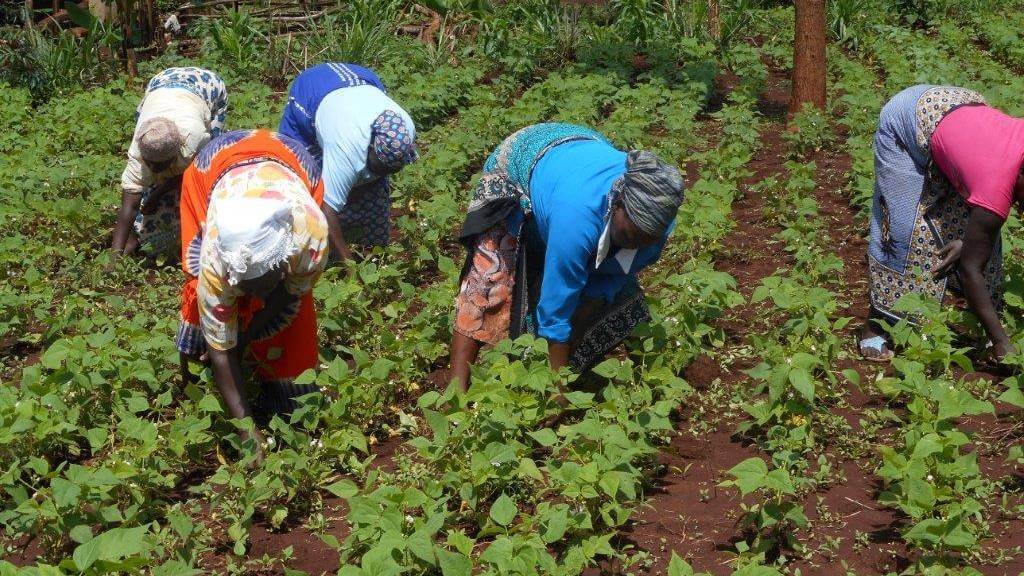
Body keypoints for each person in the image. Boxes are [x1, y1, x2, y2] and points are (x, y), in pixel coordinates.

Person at [449, 123, 685, 392]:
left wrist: (588, 308)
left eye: (647, 241)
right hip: (523, 159)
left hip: (578, 159)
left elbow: (618, 275)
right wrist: (559, 391)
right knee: (489, 282)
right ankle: (455, 395)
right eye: (631, 237)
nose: (637, 246)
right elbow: (556, 309)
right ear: (617, 203)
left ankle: (556, 367)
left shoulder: (655, 225)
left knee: (601, 301)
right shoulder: (577, 219)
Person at [176, 129, 328, 459]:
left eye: (261, 282)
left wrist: (244, 338)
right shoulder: (215, 261)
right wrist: (247, 430)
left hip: (287, 158)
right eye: (243, 284)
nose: (253, 292)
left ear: (285, 259)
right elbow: (220, 351)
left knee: (295, 317)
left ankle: (283, 386)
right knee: (199, 293)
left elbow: (289, 294)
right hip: (212, 170)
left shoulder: (310, 237)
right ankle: (188, 379)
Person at [861, 85, 1024, 362]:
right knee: (903, 234)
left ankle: (988, 331)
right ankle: (875, 327)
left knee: (986, 245)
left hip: (962, 111)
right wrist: (1003, 344)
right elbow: (970, 269)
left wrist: (967, 242)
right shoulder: (995, 185)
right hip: (909, 119)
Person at [278, 63, 417, 262]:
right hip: (312, 91)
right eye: (380, 166)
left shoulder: (405, 130)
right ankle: (312, 252)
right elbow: (326, 208)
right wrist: (349, 264)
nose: (384, 172)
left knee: (374, 191)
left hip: (363, 80)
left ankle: (373, 254)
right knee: (306, 185)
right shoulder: (347, 146)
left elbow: (376, 172)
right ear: (369, 148)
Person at [113, 67, 228, 260]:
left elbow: (189, 173)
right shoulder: (139, 149)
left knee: (209, 165)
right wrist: (115, 255)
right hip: (160, 85)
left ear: (177, 154)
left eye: (162, 166)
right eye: (151, 165)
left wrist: (157, 194)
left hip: (205, 87)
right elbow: (129, 206)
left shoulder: (194, 140)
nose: (156, 171)